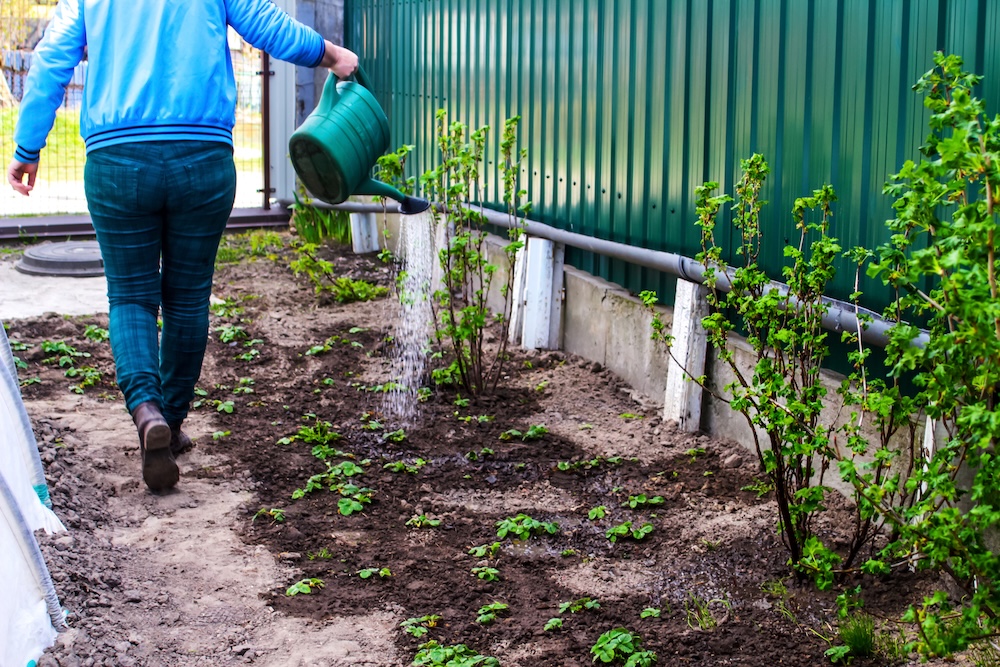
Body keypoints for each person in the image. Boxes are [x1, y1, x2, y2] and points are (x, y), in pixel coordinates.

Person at [7, 0, 358, 492]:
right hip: (203, 156)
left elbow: (51, 60)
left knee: (130, 295)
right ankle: (169, 423)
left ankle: (147, 410)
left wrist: (28, 146)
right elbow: (267, 25)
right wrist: (332, 54)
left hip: (116, 158)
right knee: (188, 297)